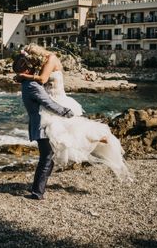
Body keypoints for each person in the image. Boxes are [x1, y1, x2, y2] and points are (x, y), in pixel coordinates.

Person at [18, 43, 132, 181]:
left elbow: (42, 79)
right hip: (49, 101)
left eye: (31, 59)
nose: (31, 63)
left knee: (69, 132)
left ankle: (98, 138)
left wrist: (24, 76)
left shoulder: (51, 58)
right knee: (63, 135)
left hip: (57, 100)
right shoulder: (42, 62)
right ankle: (95, 139)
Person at [13, 55, 75, 200]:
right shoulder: (32, 86)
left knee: (48, 157)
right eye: (30, 66)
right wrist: (66, 112)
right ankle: (37, 192)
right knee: (46, 158)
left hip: (38, 123)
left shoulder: (27, 83)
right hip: (42, 125)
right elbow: (48, 103)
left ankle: (39, 189)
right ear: (27, 69)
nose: (34, 67)